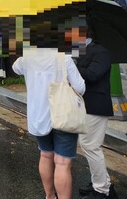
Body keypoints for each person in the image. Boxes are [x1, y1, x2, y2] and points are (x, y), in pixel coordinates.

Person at [13, 47, 85, 199]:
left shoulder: (27, 59)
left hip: (38, 117)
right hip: (64, 115)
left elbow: (15, 67)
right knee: (63, 163)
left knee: (45, 155)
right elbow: (80, 87)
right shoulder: (64, 59)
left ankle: (50, 196)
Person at [76, 28, 116, 199]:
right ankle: (102, 184)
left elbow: (92, 74)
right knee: (89, 146)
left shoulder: (102, 52)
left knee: (91, 146)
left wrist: (72, 66)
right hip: (84, 105)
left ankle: (102, 190)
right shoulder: (78, 51)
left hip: (96, 106)